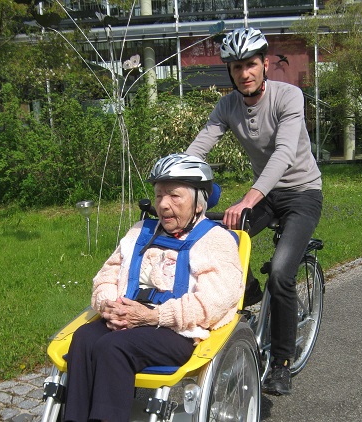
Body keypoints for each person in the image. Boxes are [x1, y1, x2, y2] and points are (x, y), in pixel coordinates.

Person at [185, 27, 323, 396]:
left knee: (281, 272)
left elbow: (284, 153)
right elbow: (198, 148)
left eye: (251, 64)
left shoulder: (289, 97)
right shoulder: (227, 106)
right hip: (266, 194)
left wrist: (249, 198)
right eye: (236, 67)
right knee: (216, 240)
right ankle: (248, 292)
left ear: (264, 64)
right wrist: (170, 182)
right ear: (229, 71)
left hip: (302, 194)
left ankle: (281, 361)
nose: (244, 73)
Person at [63, 153, 244, 422]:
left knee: (113, 348)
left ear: (198, 203)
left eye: (174, 196)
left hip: (175, 329)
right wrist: (109, 306)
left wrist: (152, 317)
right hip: (127, 317)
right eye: (159, 196)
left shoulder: (216, 240)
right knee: (84, 339)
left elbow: (216, 299)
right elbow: (106, 275)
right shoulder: (140, 231)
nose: (163, 205)